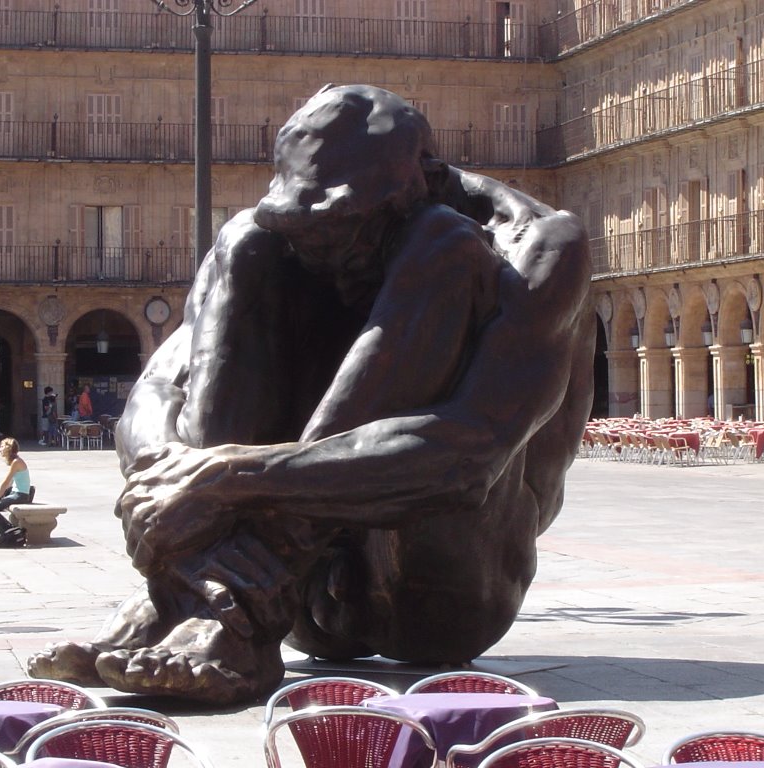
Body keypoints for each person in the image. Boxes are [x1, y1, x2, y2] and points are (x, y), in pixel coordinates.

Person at [30, 84, 593, 703]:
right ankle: (203, 602)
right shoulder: (284, 242)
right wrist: (169, 499)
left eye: (341, 224)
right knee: (246, 239)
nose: (318, 247)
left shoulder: (535, 248)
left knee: (444, 248)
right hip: (298, 606)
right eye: (300, 224)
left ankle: (225, 611)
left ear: (425, 180)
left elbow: (464, 460)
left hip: (442, 589)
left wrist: (225, 479)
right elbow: (158, 390)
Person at [0, 437, 31, 536]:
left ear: (8, 448)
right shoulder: (15, 462)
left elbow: (5, 482)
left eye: (1, 446)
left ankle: (9, 533)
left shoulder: (16, 462)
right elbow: (10, 483)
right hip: (16, 493)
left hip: (20, 495)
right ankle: (10, 531)